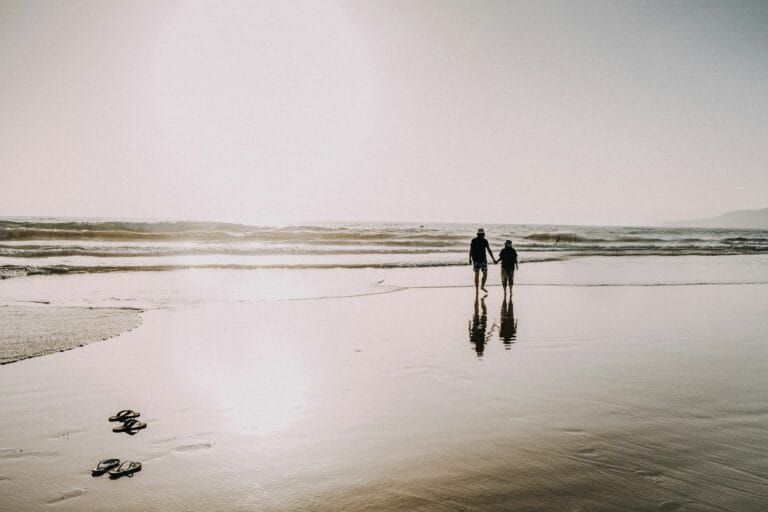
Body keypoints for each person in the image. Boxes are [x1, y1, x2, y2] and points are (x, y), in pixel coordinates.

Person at [469, 228, 497, 294]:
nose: (482, 235)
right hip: (480, 259)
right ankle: (481, 287)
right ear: (483, 234)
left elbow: (471, 250)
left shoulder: (474, 240)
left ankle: (478, 289)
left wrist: (469, 259)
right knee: (483, 274)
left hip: (476, 259)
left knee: (477, 274)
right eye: (481, 234)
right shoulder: (484, 240)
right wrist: (493, 259)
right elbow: (489, 250)